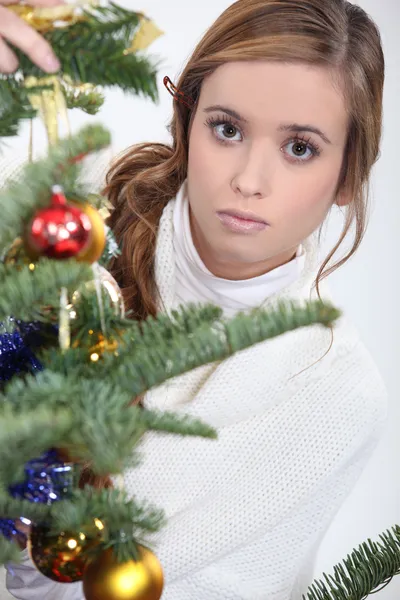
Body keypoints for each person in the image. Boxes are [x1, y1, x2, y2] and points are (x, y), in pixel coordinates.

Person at [1, 0, 389, 599]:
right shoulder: (71, 219)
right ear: (187, 120)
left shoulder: (334, 390)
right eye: (227, 129)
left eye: (300, 148)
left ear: (348, 177)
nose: (249, 180)